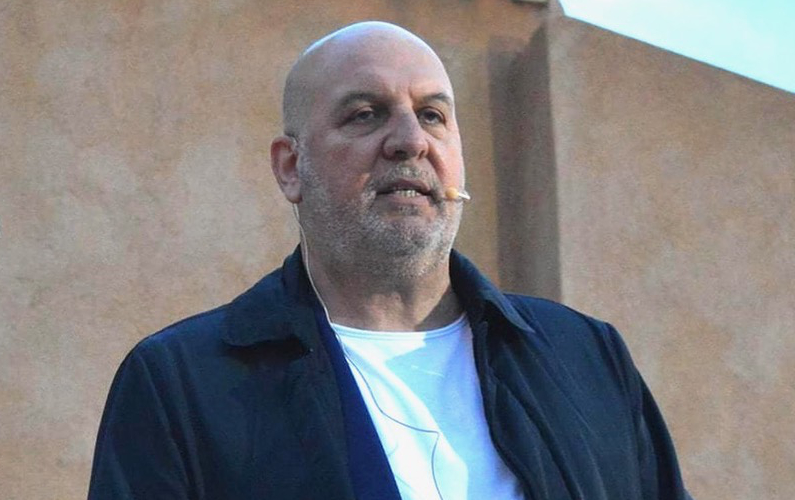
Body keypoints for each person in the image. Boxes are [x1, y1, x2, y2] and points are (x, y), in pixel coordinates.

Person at [89, 22, 691, 500]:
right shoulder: (183, 384)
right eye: (365, 114)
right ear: (291, 167)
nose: (410, 141)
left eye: (432, 115)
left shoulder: (586, 358)